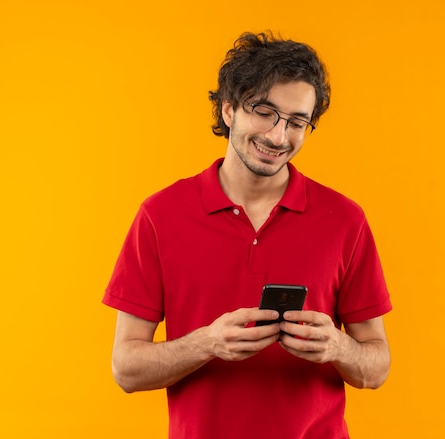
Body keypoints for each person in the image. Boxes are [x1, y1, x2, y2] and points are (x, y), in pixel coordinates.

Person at [103, 31, 392, 438]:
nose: (278, 136)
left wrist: (339, 348)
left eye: (296, 122)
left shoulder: (345, 219)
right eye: (264, 111)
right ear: (228, 109)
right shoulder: (160, 215)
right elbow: (126, 369)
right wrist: (206, 343)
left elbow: (376, 368)